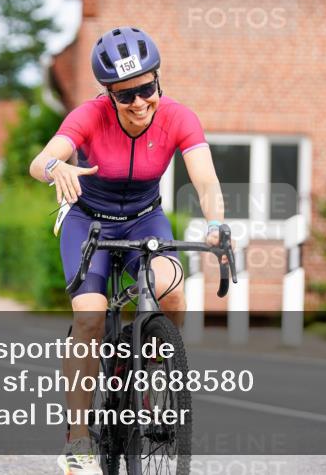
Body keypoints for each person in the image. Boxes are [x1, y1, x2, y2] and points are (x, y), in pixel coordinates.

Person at [30, 26, 227, 475]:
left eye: (147, 88)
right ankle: (78, 440)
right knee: (90, 315)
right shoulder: (90, 115)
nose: (139, 102)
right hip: (88, 222)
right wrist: (56, 166)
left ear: (158, 80)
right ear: (108, 95)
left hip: (144, 217)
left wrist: (216, 222)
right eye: (125, 96)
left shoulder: (179, 117)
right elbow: (40, 160)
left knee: (171, 288)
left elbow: (206, 180)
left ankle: (154, 365)